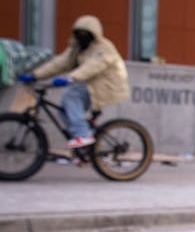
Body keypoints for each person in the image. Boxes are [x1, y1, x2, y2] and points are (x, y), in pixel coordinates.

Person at [19, 15, 130, 149]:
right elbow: (59, 63)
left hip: (106, 85)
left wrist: (70, 78)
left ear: (93, 34)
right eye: (79, 33)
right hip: (89, 83)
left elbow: (92, 66)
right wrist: (35, 75)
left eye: (85, 34)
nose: (82, 36)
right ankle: (82, 148)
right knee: (64, 110)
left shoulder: (104, 48)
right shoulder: (76, 46)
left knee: (71, 95)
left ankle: (83, 135)